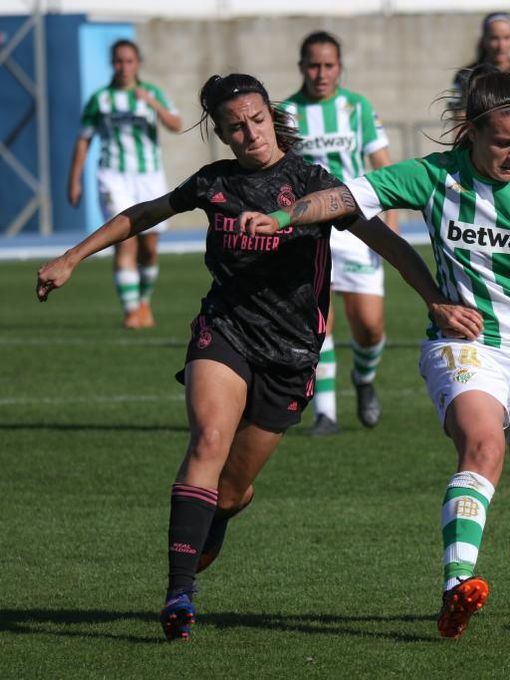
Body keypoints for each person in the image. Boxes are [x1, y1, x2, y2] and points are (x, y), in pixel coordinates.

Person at [238, 67, 510, 640]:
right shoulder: (432, 178)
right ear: (471, 132)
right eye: (503, 142)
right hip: (462, 345)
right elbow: (343, 197)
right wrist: (281, 217)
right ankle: (457, 588)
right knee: (482, 444)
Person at [36, 73, 482, 643]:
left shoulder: (313, 184)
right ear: (223, 136)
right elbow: (144, 213)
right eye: (234, 128)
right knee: (207, 440)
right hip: (224, 330)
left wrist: (436, 300)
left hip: (292, 352)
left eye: (255, 120)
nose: (248, 134)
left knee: (232, 489)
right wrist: (73, 257)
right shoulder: (214, 184)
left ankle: (217, 515)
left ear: (271, 116)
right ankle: (178, 596)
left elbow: (387, 244)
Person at [281, 31, 398, 437]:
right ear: (301, 67)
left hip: (359, 226)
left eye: (329, 65)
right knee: (319, 321)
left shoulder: (357, 108)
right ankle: (325, 413)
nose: (321, 73)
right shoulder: (286, 114)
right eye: (313, 65)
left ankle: (364, 379)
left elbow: (382, 166)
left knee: (369, 326)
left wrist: (392, 227)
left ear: (340, 67)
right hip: (309, 231)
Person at [67, 39, 182, 329]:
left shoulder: (152, 93)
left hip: (149, 177)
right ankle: (131, 312)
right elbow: (84, 139)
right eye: (119, 61)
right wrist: (74, 179)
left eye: (129, 61)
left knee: (150, 248)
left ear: (138, 64)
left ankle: (144, 304)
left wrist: (152, 103)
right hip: (113, 176)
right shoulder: (101, 99)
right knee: (124, 242)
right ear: (112, 63)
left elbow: (176, 124)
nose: (124, 67)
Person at [450, 12, 510, 116]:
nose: (501, 45)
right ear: (484, 39)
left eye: (506, 37)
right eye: (494, 38)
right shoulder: (465, 75)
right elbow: (459, 117)